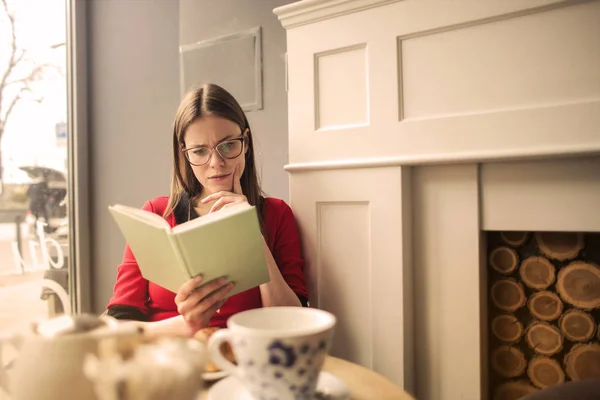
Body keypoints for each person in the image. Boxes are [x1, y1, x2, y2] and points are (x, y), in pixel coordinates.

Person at [106, 83, 308, 337]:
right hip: (169, 361)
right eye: (200, 151)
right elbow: (118, 327)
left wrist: (251, 236)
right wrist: (188, 324)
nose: (216, 163)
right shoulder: (156, 213)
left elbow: (295, 324)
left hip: (245, 360)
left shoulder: (277, 214)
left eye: (228, 145)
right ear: (184, 154)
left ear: (245, 143)